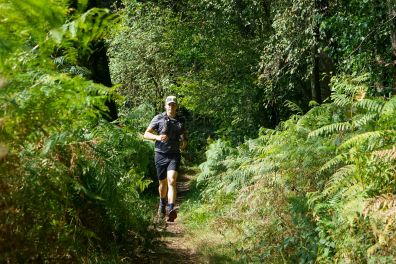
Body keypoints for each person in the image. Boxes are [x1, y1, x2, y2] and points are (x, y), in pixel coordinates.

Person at [144, 96, 187, 222]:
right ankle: (162, 204)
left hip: (174, 154)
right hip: (160, 154)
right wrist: (157, 138)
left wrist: (184, 143)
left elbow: (184, 138)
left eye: (173, 105)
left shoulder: (180, 121)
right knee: (162, 183)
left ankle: (171, 209)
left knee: (172, 180)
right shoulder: (158, 118)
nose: (171, 107)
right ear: (165, 106)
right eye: (169, 104)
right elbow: (146, 134)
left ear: (176, 106)